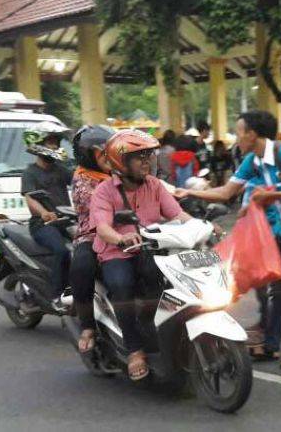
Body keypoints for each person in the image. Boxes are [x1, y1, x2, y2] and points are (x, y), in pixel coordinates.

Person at [176, 110, 281, 370]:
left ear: (252, 134)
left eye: (239, 132)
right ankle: (271, 345)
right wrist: (187, 191)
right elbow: (226, 192)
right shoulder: (251, 160)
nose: (237, 138)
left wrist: (271, 196)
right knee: (277, 289)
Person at [90, 129, 192, 380]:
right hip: (117, 252)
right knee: (122, 287)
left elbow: (177, 214)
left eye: (148, 156)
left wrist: (202, 226)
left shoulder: (155, 185)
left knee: (174, 284)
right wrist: (121, 237)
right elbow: (102, 228)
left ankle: (168, 335)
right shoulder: (104, 191)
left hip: (152, 249)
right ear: (120, 162)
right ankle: (135, 349)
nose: (147, 161)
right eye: (139, 157)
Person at [69, 125, 115, 353]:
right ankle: (87, 326)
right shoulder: (82, 180)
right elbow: (99, 205)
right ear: (91, 155)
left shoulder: (119, 170)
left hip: (131, 232)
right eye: (105, 152)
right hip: (93, 235)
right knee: (81, 267)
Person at [21, 120, 73, 313]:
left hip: (66, 221)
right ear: (38, 143)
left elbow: (78, 181)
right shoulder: (30, 173)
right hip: (42, 225)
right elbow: (30, 199)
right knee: (61, 251)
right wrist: (43, 213)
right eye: (51, 142)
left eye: (56, 142)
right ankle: (55, 295)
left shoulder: (60, 169)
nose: (55, 146)